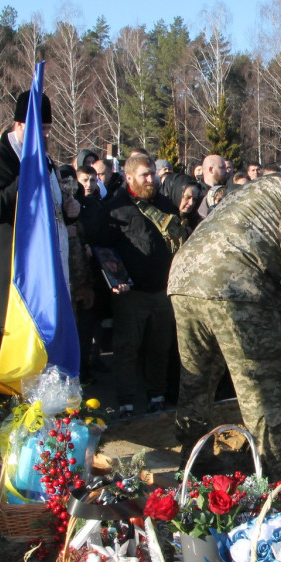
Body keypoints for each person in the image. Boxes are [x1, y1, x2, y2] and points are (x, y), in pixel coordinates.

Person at [167, 167, 281, 482]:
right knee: (267, 392)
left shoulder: (256, 191)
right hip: (235, 287)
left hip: (185, 279)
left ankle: (193, 465)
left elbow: (274, 303)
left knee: (196, 381)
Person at [0, 92, 79, 340]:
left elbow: (49, 209)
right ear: (20, 125)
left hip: (47, 276)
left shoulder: (46, 160)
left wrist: (68, 211)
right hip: (12, 277)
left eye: (48, 128)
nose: (46, 135)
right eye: (40, 128)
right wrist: (27, 176)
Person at [81, 154, 176, 415]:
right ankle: (125, 401)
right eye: (145, 174)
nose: (151, 179)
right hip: (130, 294)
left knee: (160, 348)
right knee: (127, 350)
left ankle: (157, 396)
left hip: (162, 291)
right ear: (129, 177)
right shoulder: (114, 208)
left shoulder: (165, 205)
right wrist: (115, 279)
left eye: (153, 173)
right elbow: (101, 247)